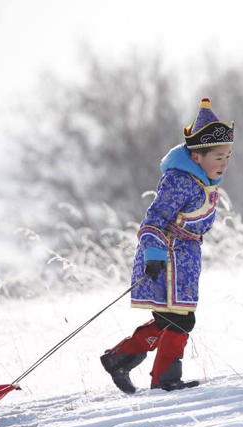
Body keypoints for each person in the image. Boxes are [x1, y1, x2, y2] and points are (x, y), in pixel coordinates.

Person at [100, 97, 234, 393]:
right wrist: (155, 256)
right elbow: (154, 219)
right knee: (180, 321)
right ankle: (164, 380)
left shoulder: (204, 181)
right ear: (198, 157)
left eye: (227, 156)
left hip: (186, 258)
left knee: (169, 319)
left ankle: (119, 359)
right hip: (167, 257)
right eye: (218, 157)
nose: (224, 163)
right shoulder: (180, 181)